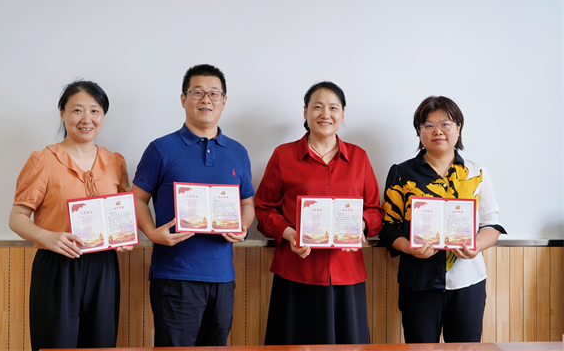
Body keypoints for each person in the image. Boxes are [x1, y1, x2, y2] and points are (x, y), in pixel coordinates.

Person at [132, 64, 255, 347]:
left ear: (224, 101)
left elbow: (247, 203)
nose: (206, 99)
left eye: (214, 93)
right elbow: (137, 198)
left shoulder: (238, 152)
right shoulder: (161, 149)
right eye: (197, 92)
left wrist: (244, 227)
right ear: (183, 99)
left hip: (223, 278)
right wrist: (151, 232)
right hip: (175, 277)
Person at [255, 81, 384, 345]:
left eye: (333, 108)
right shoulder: (283, 155)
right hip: (297, 272)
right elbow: (264, 208)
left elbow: (374, 210)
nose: (326, 114)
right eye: (317, 107)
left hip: (346, 273)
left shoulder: (359, 157)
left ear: (343, 114)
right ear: (305, 112)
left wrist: (360, 226)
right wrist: (289, 234)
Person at [9, 80, 131, 351]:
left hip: (104, 265)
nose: (87, 119)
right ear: (62, 114)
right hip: (57, 264)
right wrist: (48, 237)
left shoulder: (115, 161)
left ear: (103, 116)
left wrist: (124, 236)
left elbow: (122, 212)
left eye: (95, 110)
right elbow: (16, 217)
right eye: (77, 110)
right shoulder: (43, 160)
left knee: (100, 343)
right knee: (55, 343)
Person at [379, 95, 506, 343]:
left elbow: (491, 224)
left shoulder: (476, 172)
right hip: (418, 282)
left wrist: (476, 246)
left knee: (466, 349)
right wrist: (410, 247)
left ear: (458, 127)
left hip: (468, 281)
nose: (438, 131)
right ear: (419, 131)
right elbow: (389, 227)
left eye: (445, 124)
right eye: (429, 125)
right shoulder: (401, 173)